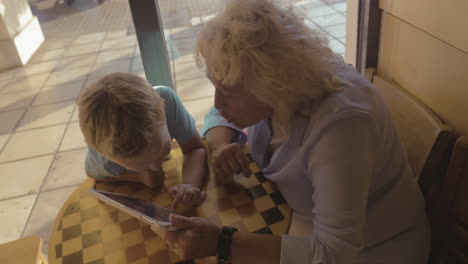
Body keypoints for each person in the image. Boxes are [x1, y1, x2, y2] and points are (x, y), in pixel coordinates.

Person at [150, 0, 431, 263]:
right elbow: (219, 112)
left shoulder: (342, 129)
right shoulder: (285, 86)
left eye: (226, 93)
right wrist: (220, 145)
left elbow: (335, 253)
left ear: (271, 85)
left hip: (376, 248)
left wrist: (222, 243)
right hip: (301, 219)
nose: (216, 103)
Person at [78, 72, 207, 210]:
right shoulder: (104, 157)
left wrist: (190, 185)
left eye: (163, 150)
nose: (158, 167)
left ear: (164, 110)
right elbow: (94, 174)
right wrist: (137, 177)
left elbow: (195, 148)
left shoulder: (168, 101)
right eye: (142, 165)